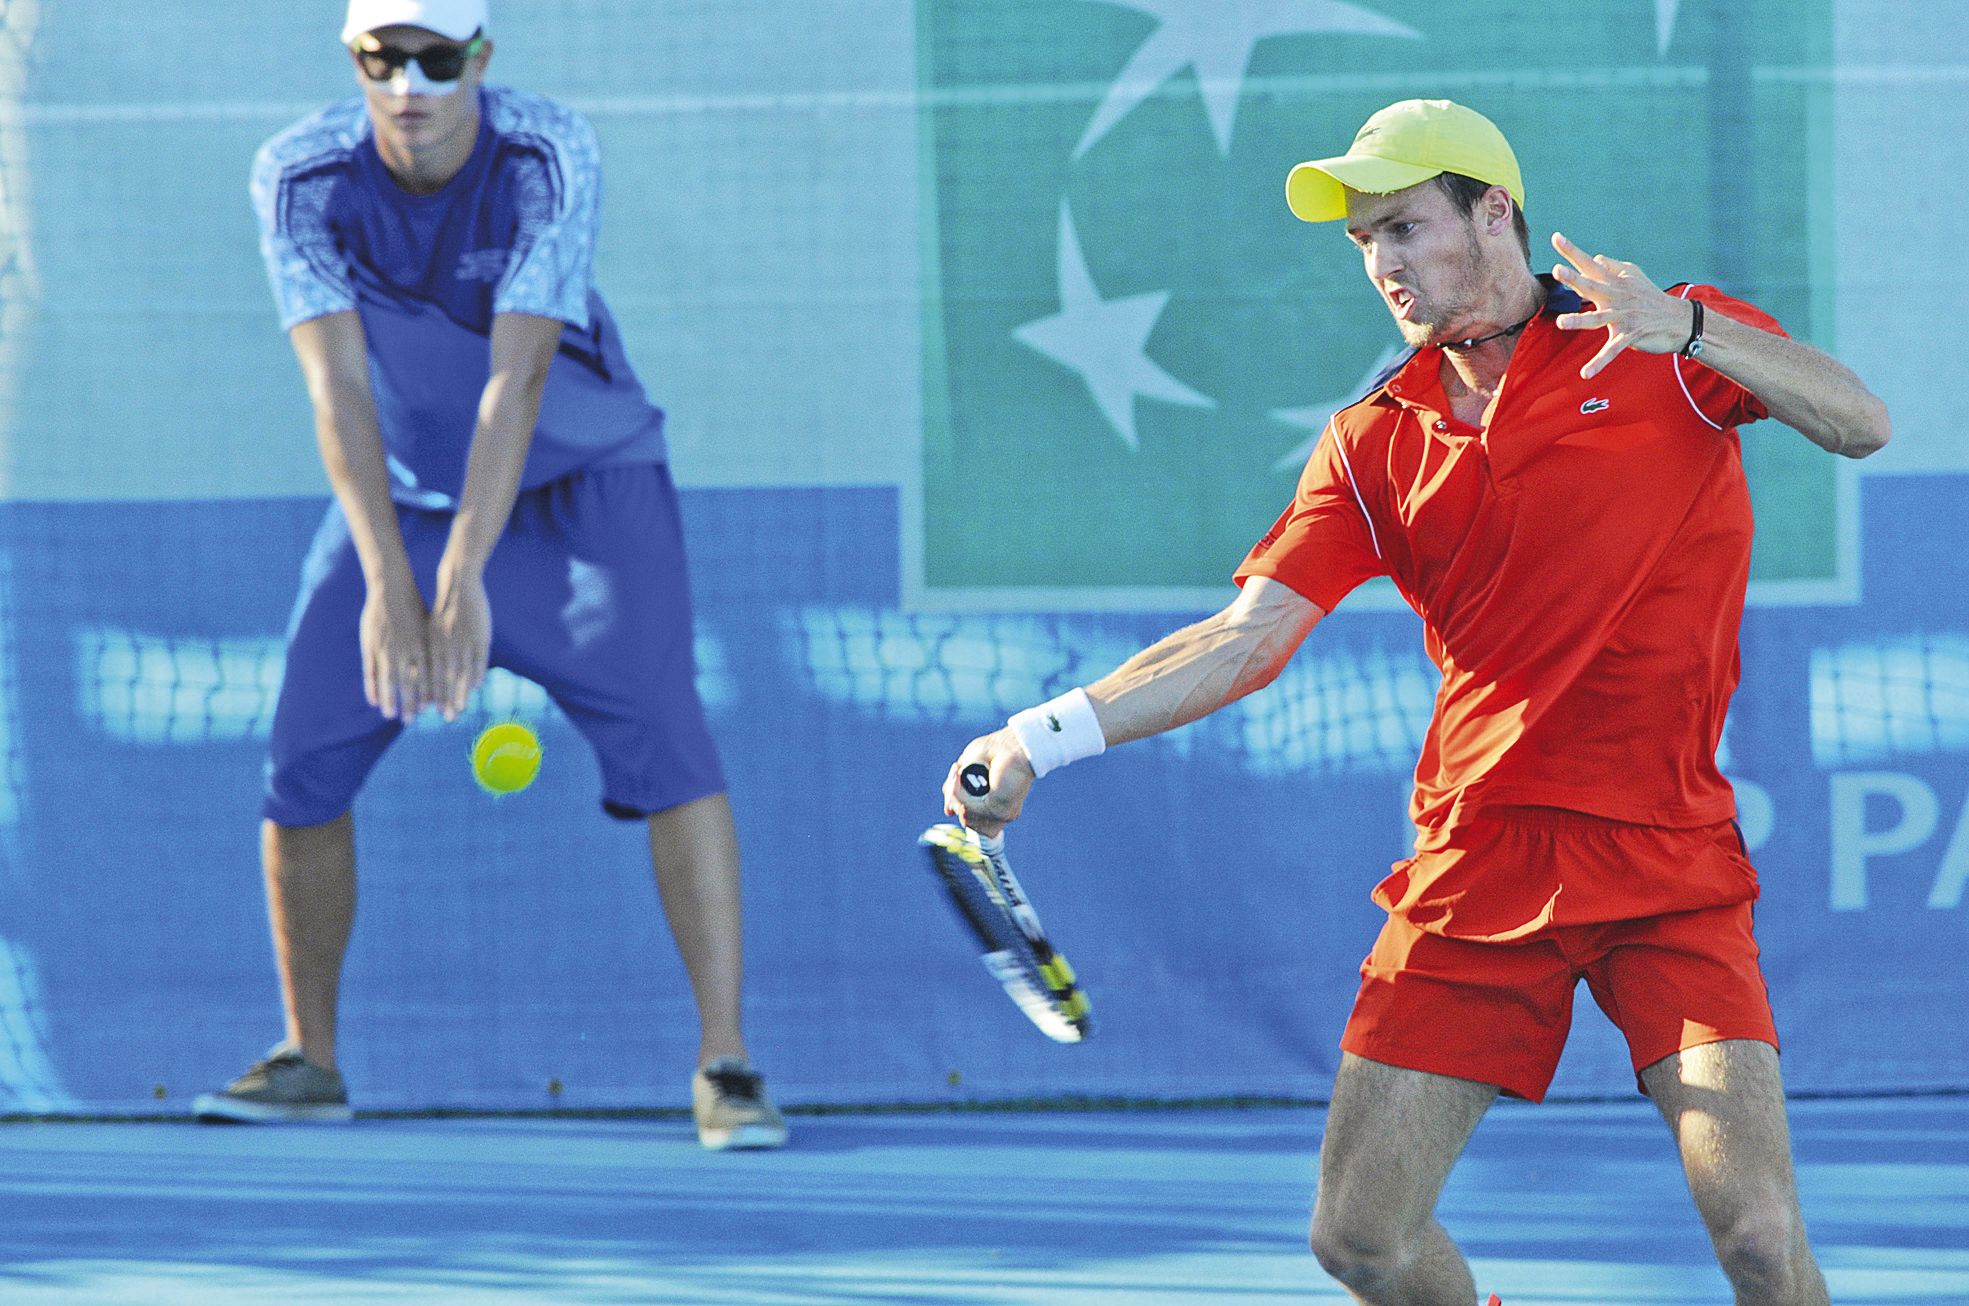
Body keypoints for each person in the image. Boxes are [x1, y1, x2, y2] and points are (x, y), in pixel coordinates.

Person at [942, 99, 1888, 1305]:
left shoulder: (1661, 353)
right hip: (1479, 860)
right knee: (1359, 1239)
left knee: (1758, 1237)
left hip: (1668, 858)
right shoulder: (1372, 440)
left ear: (1492, 212)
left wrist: (1690, 329)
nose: (1383, 265)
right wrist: (1038, 735)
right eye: (1363, 244)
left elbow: (1859, 422)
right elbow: (1244, 640)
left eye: (1403, 227)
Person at [194, 0, 787, 1151]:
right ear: (353, 62)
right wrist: (389, 573)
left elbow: (514, 387)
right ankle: (311, 1059)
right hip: (403, 500)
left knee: (671, 741)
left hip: (588, 491)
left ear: (481, 61)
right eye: (384, 58)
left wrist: (461, 574)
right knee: (300, 759)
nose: (410, 85)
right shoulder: (298, 177)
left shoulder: (547, 155)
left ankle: (728, 1063)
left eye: (436, 58)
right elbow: (340, 393)